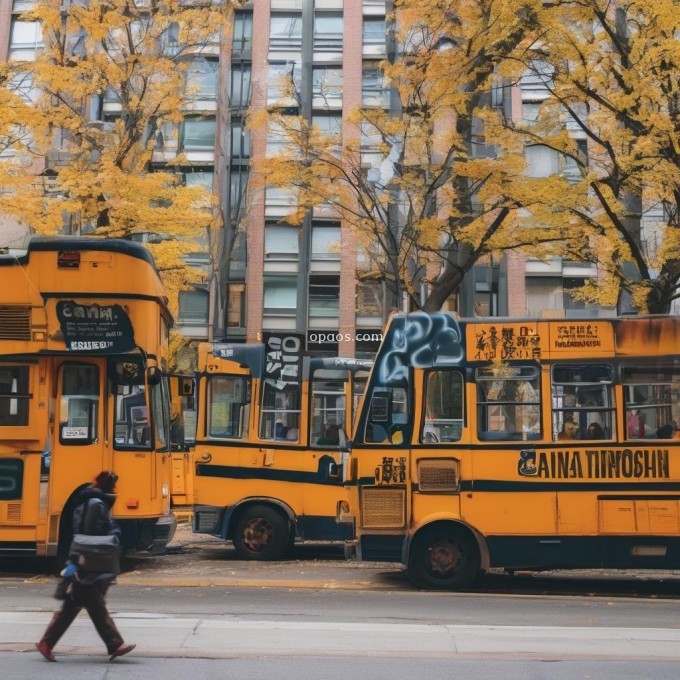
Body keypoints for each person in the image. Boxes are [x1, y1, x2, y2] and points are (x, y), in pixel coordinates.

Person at [36, 471, 136, 663]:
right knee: (95, 604)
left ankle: (47, 643)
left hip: (83, 559)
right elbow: (89, 533)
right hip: (88, 559)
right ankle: (114, 644)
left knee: (75, 605)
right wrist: (111, 534)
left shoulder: (91, 501)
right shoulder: (96, 504)